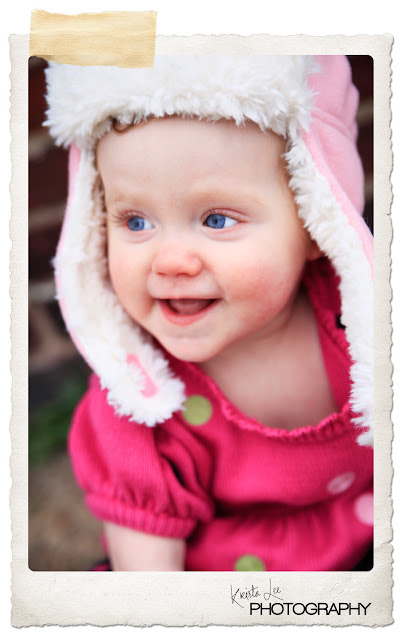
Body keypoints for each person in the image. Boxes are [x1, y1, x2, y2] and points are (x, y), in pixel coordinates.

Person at [44, 54, 373, 571]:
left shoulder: (366, 324)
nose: (170, 261)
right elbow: (151, 587)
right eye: (135, 222)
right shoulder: (140, 406)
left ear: (316, 223)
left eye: (216, 219)